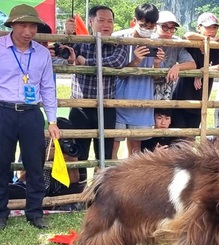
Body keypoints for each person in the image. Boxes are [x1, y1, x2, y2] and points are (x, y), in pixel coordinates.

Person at [0, 4, 60, 230]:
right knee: (1, 163)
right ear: (12, 25)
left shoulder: (42, 53)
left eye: (33, 26)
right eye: (23, 25)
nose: (28, 31)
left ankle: (35, 213)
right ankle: (1, 213)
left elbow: (47, 88)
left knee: (35, 165)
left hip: (31, 114)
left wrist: (52, 120)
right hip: (3, 111)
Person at [65, 5, 128, 180]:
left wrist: (86, 62)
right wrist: (67, 33)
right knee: (79, 151)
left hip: (106, 106)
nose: (106, 25)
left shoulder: (119, 43)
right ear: (91, 22)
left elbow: (116, 61)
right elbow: (65, 53)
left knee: (105, 153)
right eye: (101, 20)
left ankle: (101, 193)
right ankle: (80, 191)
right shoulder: (81, 41)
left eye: (110, 21)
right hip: (80, 107)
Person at [112, 3, 164, 158]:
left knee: (135, 150)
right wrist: (135, 61)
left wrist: (156, 63)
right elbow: (116, 73)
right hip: (118, 100)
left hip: (143, 102)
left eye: (152, 25)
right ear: (133, 21)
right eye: (143, 25)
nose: (147, 28)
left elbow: (157, 78)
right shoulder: (119, 38)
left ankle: (130, 181)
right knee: (113, 145)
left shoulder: (157, 41)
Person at [172, 12, 219, 130]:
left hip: (200, 101)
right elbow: (188, 35)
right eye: (208, 27)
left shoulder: (215, 49)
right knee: (177, 136)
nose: (212, 30)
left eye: (214, 27)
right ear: (199, 28)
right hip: (181, 98)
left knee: (192, 136)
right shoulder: (191, 44)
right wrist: (208, 40)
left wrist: (203, 70)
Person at [153, 11, 196, 101]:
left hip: (166, 91)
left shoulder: (177, 42)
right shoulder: (148, 40)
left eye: (172, 28)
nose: (168, 31)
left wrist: (177, 66)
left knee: (164, 114)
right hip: (147, 87)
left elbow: (192, 64)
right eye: (164, 27)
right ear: (155, 26)